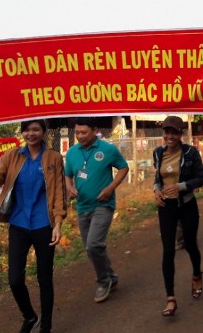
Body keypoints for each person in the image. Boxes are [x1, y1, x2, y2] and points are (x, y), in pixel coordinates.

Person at [0, 119, 66, 333]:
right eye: (27, 130)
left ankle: (45, 326)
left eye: (36, 129)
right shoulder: (13, 156)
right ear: (22, 133)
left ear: (43, 132)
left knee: (44, 278)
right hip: (19, 224)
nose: (31, 133)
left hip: (43, 225)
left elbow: (58, 193)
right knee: (14, 279)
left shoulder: (53, 158)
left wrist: (57, 224)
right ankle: (29, 316)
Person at [65, 117, 129, 303]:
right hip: (82, 206)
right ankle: (111, 275)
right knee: (90, 248)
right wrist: (69, 187)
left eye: (83, 132)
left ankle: (103, 281)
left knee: (94, 244)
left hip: (103, 205)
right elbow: (68, 175)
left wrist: (110, 188)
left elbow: (123, 168)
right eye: (77, 132)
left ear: (94, 131)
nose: (79, 136)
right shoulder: (72, 153)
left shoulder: (107, 149)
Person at [153, 115, 203, 316]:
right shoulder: (158, 152)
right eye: (167, 132)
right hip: (166, 206)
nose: (170, 136)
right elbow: (158, 178)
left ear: (180, 134)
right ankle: (171, 298)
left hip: (187, 205)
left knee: (191, 244)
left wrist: (181, 187)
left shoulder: (191, 153)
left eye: (174, 132)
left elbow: (200, 178)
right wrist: (156, 190)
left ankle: (196, 274)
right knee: (168, 251)